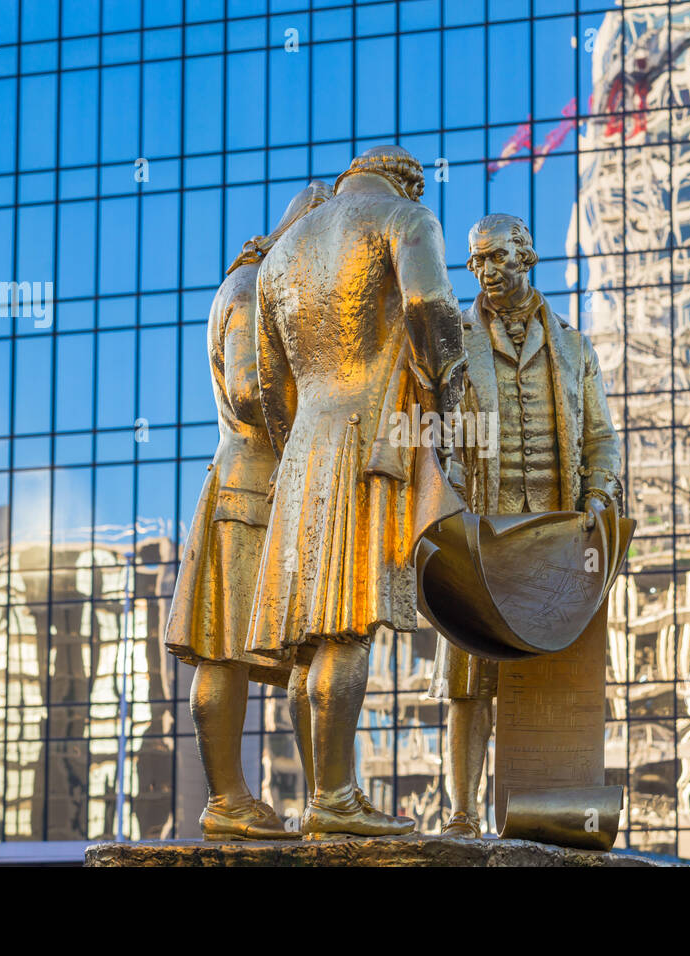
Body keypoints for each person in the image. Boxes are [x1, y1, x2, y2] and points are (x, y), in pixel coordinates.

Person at [247, 146, 467, 839]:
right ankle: (335, 797)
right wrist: (451, 388)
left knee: (310, 641)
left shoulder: (279, 255)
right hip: (369, 435)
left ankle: (324, 792)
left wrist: (293, 443)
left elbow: (262, 385)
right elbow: (432, 304)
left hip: (305, 443)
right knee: (348, 620)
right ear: (405, 178)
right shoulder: (405, 216)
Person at [430, 213, 624, 838]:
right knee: (468, 677)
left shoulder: (574, 347)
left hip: (554, 537)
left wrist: (597, 495)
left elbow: (600, 437)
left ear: (527, 258)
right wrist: (451, 499)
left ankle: (539, 818)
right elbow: (432, 434)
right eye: (475, 261)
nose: (482, 273)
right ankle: (461, 813)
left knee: (550, 675)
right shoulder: (455, 343)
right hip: (482, 537)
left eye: (494, 258)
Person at [163, 182, 332, 840]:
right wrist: (306, 423)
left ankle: (323, 793)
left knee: (292, 650)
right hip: (252, 486)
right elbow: (248, 388)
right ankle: (228, 797)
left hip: (260, 486)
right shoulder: (253, 290)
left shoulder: (257, 285)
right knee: (227, 649)